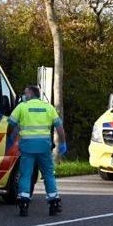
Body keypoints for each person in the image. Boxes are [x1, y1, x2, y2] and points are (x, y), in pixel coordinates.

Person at [7, 86, 67, 217]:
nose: (23, 95)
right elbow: (59, 128)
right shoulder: (48, 107)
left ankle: (23, 203)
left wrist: (9, 138)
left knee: (25, 175)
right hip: (44, 148)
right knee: (48, 175)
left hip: (27, 147)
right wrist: (62, 143)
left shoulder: (22, 107)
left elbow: (10, 124)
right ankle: (53, 203)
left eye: (25, 93)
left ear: (30, 94)